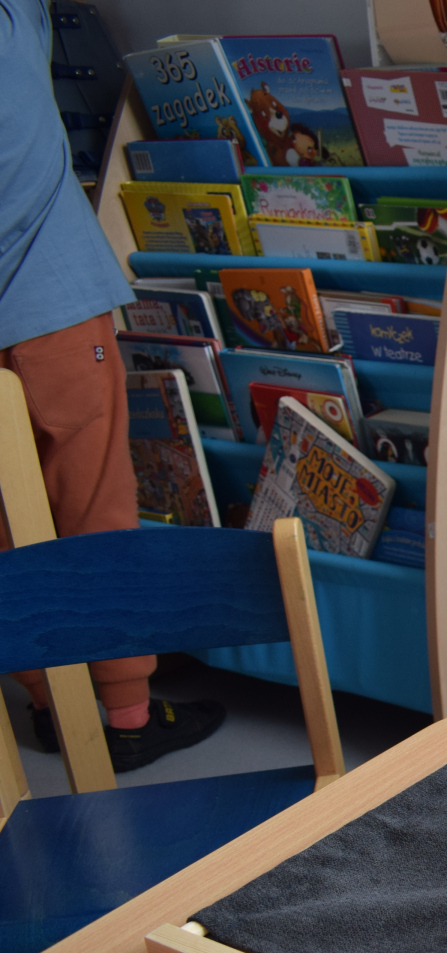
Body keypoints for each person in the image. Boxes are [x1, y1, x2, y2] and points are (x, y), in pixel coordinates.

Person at [1, 0, 223, 770]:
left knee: (10, 521)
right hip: (51, 311)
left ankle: (52, 708)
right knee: (95, 507)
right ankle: (128, 714)